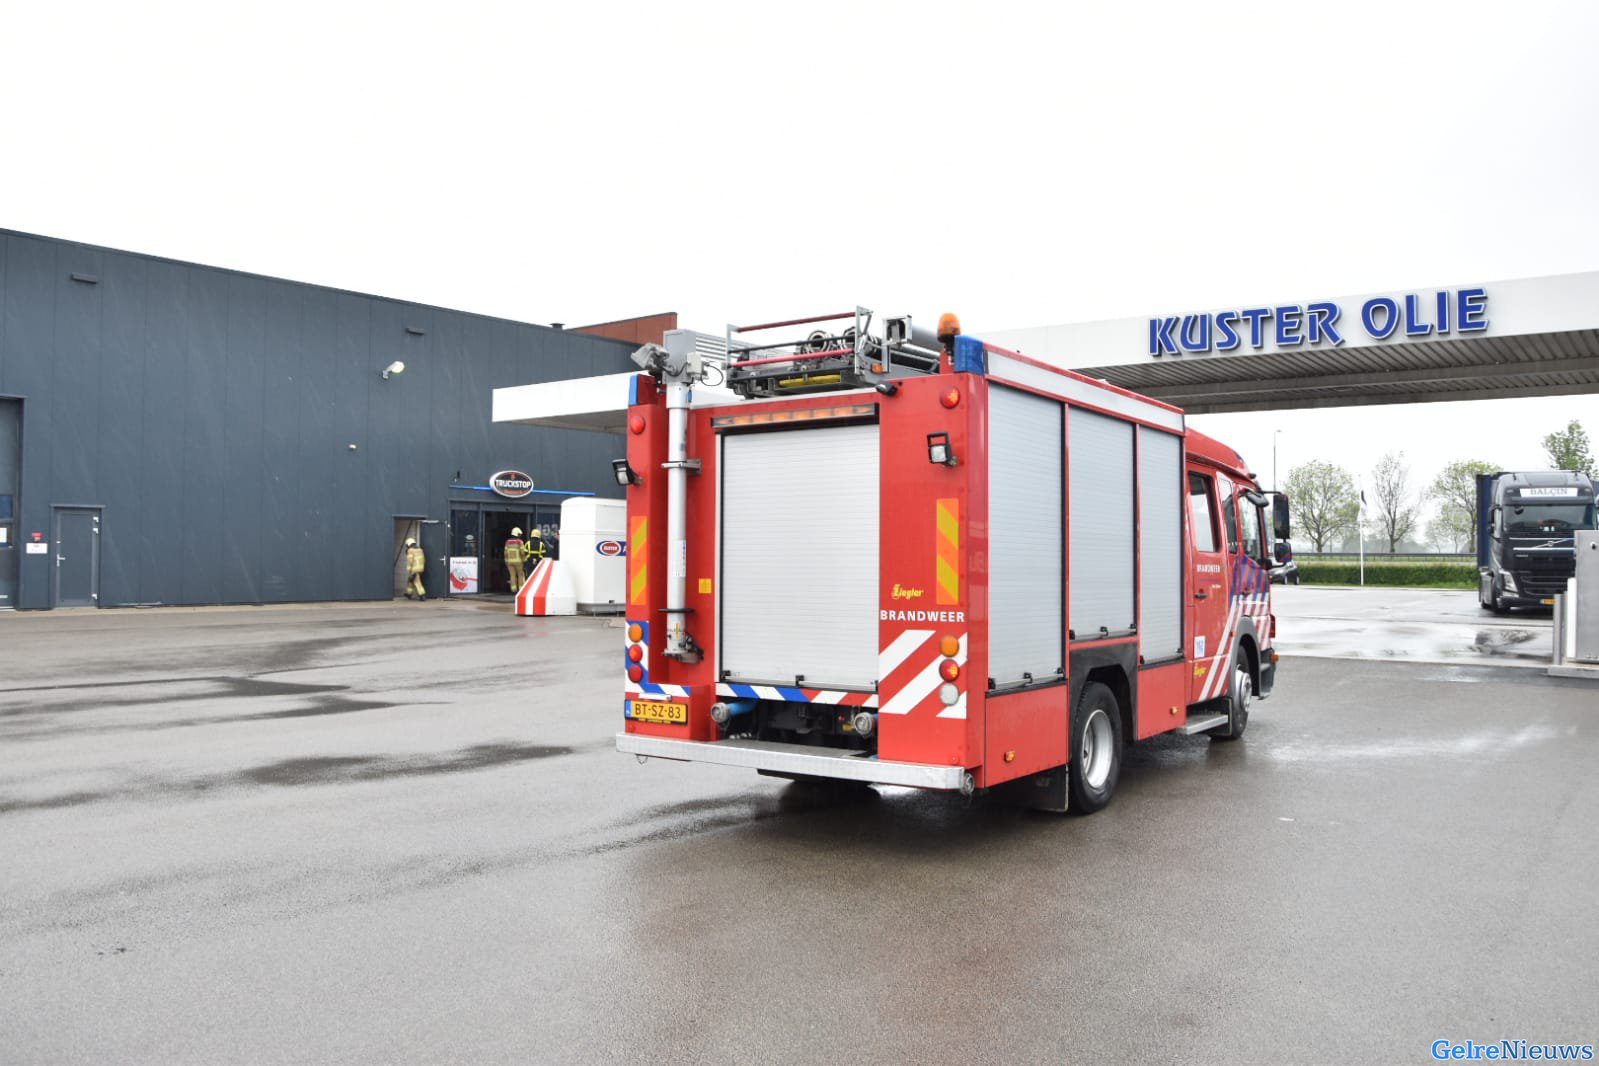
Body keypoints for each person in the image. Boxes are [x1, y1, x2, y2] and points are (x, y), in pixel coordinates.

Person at [505, 527, 529, 592]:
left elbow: (505, 553)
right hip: (518, 562)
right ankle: (521, 589)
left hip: (510, 562)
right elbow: (522, 552)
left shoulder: (507, 542)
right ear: (517, 534)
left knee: (512, 575)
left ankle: (513, 589)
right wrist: (524, 560)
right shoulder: (520, 542)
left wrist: (506, 561)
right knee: (520, 575)